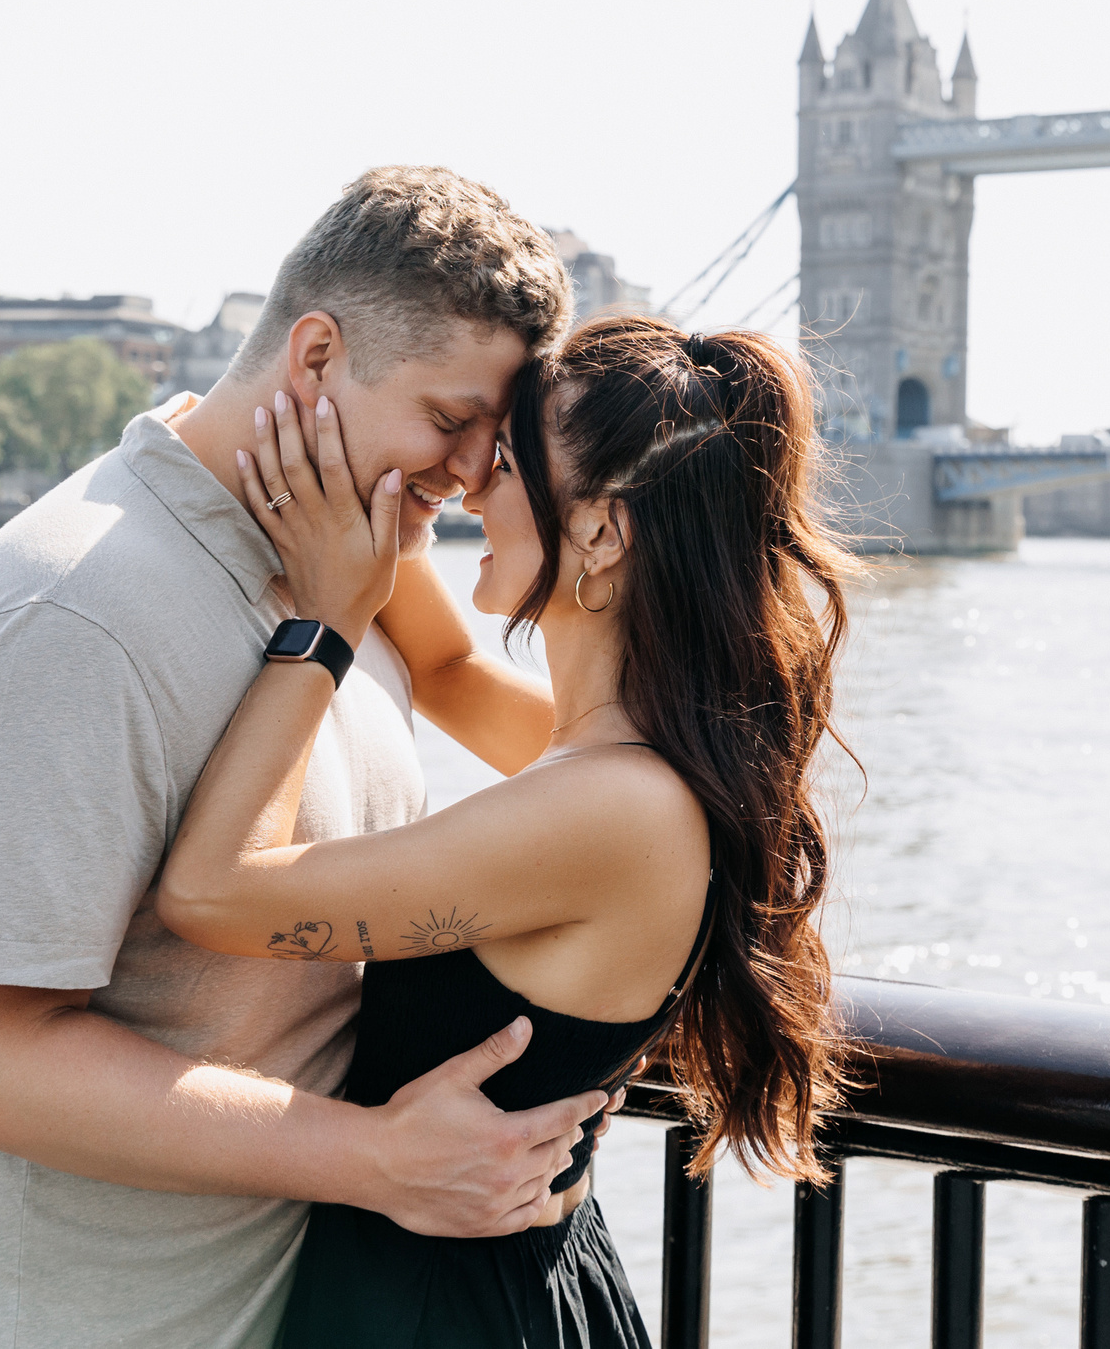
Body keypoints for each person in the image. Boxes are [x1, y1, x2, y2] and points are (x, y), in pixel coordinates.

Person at [0, 167, 609, 1349]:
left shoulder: (352, 565)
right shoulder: (69, 615)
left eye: (488, 439)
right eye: (450, 422)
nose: (469, 479)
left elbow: (484, 698)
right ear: (315, 361)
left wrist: (688, 798)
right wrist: (380, 1160)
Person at [155, 313, 855, 1347]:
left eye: (508, 462)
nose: (472, 479)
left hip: (446, 1307)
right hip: (495, 1278)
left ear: (604, 532)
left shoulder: (613, 808)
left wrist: (325, 623)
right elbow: (446, 671)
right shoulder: (632, 760)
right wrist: (355, 495)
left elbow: (210, 893)